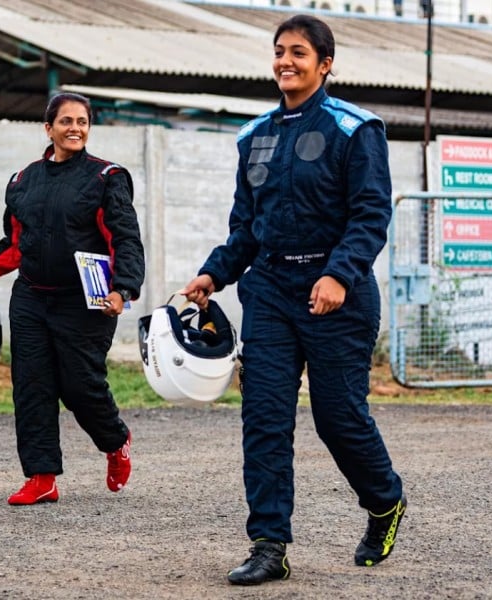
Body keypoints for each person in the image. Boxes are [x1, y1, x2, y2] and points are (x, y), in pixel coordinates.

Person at [181, 14, 406, 586]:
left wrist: (338, 276)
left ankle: (384, 502)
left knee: (338, 417)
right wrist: (215, 273)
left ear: (325, 64)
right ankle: (268, 545)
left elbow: (371, 215)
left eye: (299, 53)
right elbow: (246, 228)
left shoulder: (356, 129)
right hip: (271, 293)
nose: (286, 61)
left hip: (337, 296)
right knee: (264, 420)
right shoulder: (253, 134)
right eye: (279, 51)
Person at [0, 92, 145, 505]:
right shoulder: (23, 181)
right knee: (32, 386)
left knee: (80, 386)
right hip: (30, 300)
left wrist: (123, 287)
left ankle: (116, 441)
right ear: (49, 128)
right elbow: (16, 245)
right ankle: (41, 477)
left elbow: (124, 238)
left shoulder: (106, 178)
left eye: (82, 121)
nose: (75, 128)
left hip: (86, 302)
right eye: (66, 121)